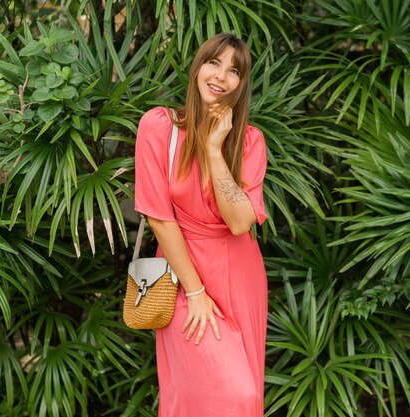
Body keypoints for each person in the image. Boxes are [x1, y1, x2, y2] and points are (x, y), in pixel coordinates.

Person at [134, 33, 268, 417]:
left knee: (246, 397)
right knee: (230, 394)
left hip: (241, 278)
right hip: (181, 278)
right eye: (214, 63)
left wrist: (213, 149)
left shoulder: (249, 142)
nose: (221, 77)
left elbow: (241, 222)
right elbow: (159, 217)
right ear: (198, 67)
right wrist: (195, 292)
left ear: (241, 85)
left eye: (234, 71)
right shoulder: (159, 126)